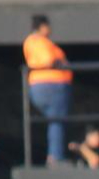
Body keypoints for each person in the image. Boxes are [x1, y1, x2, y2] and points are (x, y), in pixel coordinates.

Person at [23, 14, 73, 166]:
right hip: (51, 86)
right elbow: (48, 59)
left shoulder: (34, 42)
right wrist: (60, 62)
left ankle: (55, 155)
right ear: (42, 26)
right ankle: (55, 157)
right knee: (56, 120)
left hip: (46, 86)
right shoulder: (39, 42)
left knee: (55, 121)